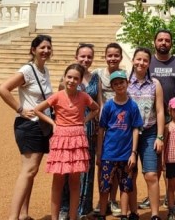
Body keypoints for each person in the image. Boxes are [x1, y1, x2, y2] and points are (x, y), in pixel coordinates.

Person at [0, 35, 55, 220]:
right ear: (33, 50)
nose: (46, 51)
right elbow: (3, 88)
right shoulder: (27, 70)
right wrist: (20, 109)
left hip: (40, 124)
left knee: (32, 171)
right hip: (29, 125)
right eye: (42, 47)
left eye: (48, 48)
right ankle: (13, 217)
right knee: (28, 170)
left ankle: (23, 214)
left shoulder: (44, 70)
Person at [34, 63, 100, 220]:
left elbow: (96, 108)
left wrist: (85, 120)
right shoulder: (57, 95)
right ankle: (55, 217)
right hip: (61, 138)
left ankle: (73, 216)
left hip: (78, 137)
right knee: (58, 179)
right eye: (69, 77)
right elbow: (38, 109)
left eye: (75, 78)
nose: (72, 81)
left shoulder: (84, 96)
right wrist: (53, 123)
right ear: (64, 77)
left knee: (75, 180)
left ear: (80, 81)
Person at [145, 29, 175, 211]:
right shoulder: (148, 63)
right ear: (154, 42)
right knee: (155, 157)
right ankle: (154, 194)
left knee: (171, 156)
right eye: (160, 40)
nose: (163, 43)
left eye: (167, 40)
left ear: (171, 43)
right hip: (152, 116)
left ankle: (168, 195)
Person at [56, 44, 101, 220]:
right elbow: (59, 106)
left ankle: (84, 209)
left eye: (89, 57)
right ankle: (64, 208)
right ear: (76, 57)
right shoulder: (69, 78)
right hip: (68, 130)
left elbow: (98, 103)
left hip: (88, 129)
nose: (86, 60)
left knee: (86, 170)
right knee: (67, 169)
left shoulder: (95, 78)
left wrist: (91, 122)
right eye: (82, 56)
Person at [93, 70, 143, 220]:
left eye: (122, 82)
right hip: (109, 153)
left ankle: (124, 214)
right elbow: (101, 129)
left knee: (126, 186)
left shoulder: (133, 106)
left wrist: (134, 153)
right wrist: (99, 152)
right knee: (104, 187)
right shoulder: (108, 106)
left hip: (126, 154)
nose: (119, 86)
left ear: (127, 83)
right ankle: (102, 214)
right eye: (116, 84)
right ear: (112, 87)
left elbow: (135, 129)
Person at [127, 47, 165, 220]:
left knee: (151, 174)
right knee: (130, 173)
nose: (141, 63)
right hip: (128, 135)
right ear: (133, 60)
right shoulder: (125, 83)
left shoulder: (155, 84)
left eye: (145, 60)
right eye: (138, 59)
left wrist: (159, 136)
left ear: (149, 63)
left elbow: (159, 111)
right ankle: (133, 211)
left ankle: (155, 214)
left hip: (149, 133)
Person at [89, 42, 125, 216]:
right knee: (102, 163)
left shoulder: (124, 74)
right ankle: (101, 199)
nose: (112, 58)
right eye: (109, 55)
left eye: (116, 55)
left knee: (117, 164)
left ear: (121, 57)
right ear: (105, 57)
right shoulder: (97, 74)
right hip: (101, 125)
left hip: (119, 127)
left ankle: (113, 199)